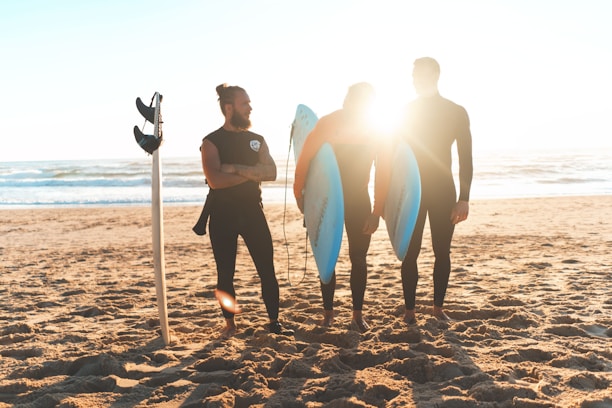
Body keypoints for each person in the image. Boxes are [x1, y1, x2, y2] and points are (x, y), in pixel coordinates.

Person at [194, 83, 293, 338]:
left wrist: (235, 169)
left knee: (267, 270)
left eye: (249, 103)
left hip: (252, 212)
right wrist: (251, 175)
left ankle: (273, 321)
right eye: (244, 103)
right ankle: (230, 324)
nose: (250, 108)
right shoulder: (211, 142)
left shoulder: (256, 141)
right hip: (222, 215)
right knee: (225, 273)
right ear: (229, 108)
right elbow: (216, 181)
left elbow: (271, 173)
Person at [293, 82, 391, 333]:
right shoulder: (328, 123)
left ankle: (357, 315)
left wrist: (377, 211)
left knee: (358, 258)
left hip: (359, 201)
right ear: (348, 100)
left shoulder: (376, 129)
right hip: (327, 200)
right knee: (328, 258)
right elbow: (305, 160)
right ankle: (328, 314)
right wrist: (300, 194)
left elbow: (384, 171)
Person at [399, 57, 473, 324]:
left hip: (443, 190)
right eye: (414, 74)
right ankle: (409, 312)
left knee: (442, 250)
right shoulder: (406, 111)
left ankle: (438, 309)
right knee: (411, 251)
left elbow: (466, 158)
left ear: (435, 75)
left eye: (420, 74)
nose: (415, 79)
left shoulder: (455, 111)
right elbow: (395, 156)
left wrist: (464, 198)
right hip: (412, 192)